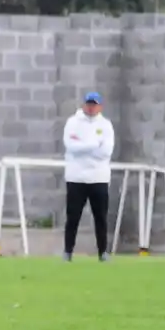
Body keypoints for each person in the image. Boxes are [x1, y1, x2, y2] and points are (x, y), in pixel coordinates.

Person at [62, 92, 115, 261]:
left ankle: (103, 252)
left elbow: (106, 152)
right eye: (89, 104)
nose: (91, 108)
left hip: (99, 177)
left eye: (94, 104)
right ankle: (68, 251)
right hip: (76, 177)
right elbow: (71, 146)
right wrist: (93, 145)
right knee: (73, 217)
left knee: (100, 217)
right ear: (84, 105)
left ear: (100, 106)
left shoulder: (106, 125)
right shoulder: (72, 122)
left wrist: (83, 146)